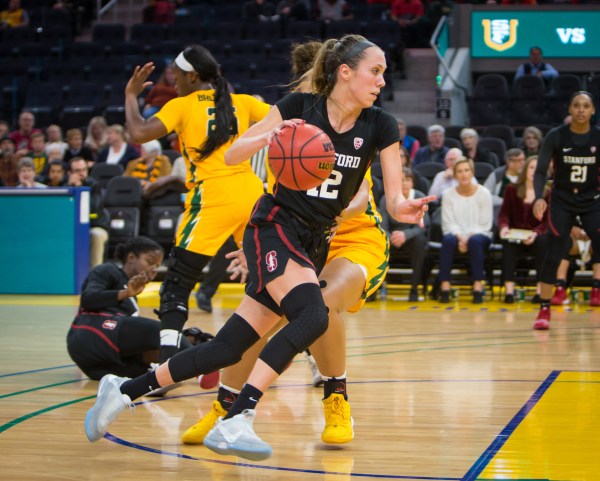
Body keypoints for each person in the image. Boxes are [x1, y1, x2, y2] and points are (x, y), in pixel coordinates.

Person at [84, 34, 433, 460]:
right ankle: (238, 417)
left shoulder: (380, 125)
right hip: (275, 225)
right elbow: (234, 155)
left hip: (317, 240)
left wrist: (406, 208)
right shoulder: (297, 110)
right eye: (374, 71)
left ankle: (122, 391)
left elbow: (393, 199)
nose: (381, 80)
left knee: (228, 347)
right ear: (345, 72)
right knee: (312, 313)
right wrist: (269, 137)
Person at [123, 44, 270, 364]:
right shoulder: (243, 103)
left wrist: (130, 95)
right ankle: (315, 361)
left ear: (192, 77)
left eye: (175, 77)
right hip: (252, 193)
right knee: (276, 282)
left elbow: (137, 132)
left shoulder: (182, 105)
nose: (172, 82)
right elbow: (290, 119)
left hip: (213, 196)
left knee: (176, 284)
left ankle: (164, 367)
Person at [532, 91, 600, 330]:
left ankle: (597, 288)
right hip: (562, 198)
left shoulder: (597, 137)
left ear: (593, 111)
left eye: (586, 106)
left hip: (592, 198)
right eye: (576, 105)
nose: (581, 110)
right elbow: (540, 171)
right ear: (570, 110)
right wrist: (539, 197)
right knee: (555, 249)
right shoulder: (556, 136)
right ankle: (544, 308)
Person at [66, 237, 168, 380]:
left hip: (100, 363)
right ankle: (201, 369)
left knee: (152, 374)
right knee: (162, 332)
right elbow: (88, 298)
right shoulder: (108, 270)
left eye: (158, 265)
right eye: (150, 262)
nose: (154, 270)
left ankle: (165, 374)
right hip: (87, 336)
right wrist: (125, 293)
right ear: (131, 257)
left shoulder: (133, 299)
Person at [438, 158, 493, 304]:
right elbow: (448, 223)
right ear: (455, 175)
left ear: (472, 173)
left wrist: (467, 237)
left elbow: (485, 224)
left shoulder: (484, 193)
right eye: (460, 171)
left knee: (475, 241)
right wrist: (460, 236)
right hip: (456, 234)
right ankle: (444, 286)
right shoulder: (448, 194)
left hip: (480, 234)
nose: (464, 174)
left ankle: (477, 286)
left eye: (467, 170)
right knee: (448, 240)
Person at [497, 156, 548, 303]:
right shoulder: (511, 189)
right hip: (515, 233)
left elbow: (546, 221)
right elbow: (504, 214)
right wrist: (504, 227)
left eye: (538, 169)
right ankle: (509, 291)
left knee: (544, 241)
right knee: (508, 242)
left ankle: (539, 291)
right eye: (531, 167)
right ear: (525, 169)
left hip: (535, 234)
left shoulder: (547, 192)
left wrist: (535, 233)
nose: (534, 171)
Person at [380, 167, 428, 302]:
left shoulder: (419, 197)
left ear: (412, 182)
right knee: (378, 240)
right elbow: (382, 225)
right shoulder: (387, 198)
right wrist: (392, 237)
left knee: (420, 241)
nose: (405, 183)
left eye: (407, 180)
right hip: (391, 237)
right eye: (401, 180)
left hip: (411, 237)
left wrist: (405, 235)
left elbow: (424, 225)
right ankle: (374, 290)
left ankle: (414, 290)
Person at [66, 157, 110, 267]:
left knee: (97, 235)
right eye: (77, 171)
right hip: (68, 228)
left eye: (84, 170)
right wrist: (70, 189)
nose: (82, 174)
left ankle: (96, 273)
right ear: (69, 173)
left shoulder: (94, 186)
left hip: (93, 226)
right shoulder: (63, 186)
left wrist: (79, 190)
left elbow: (93, 210)